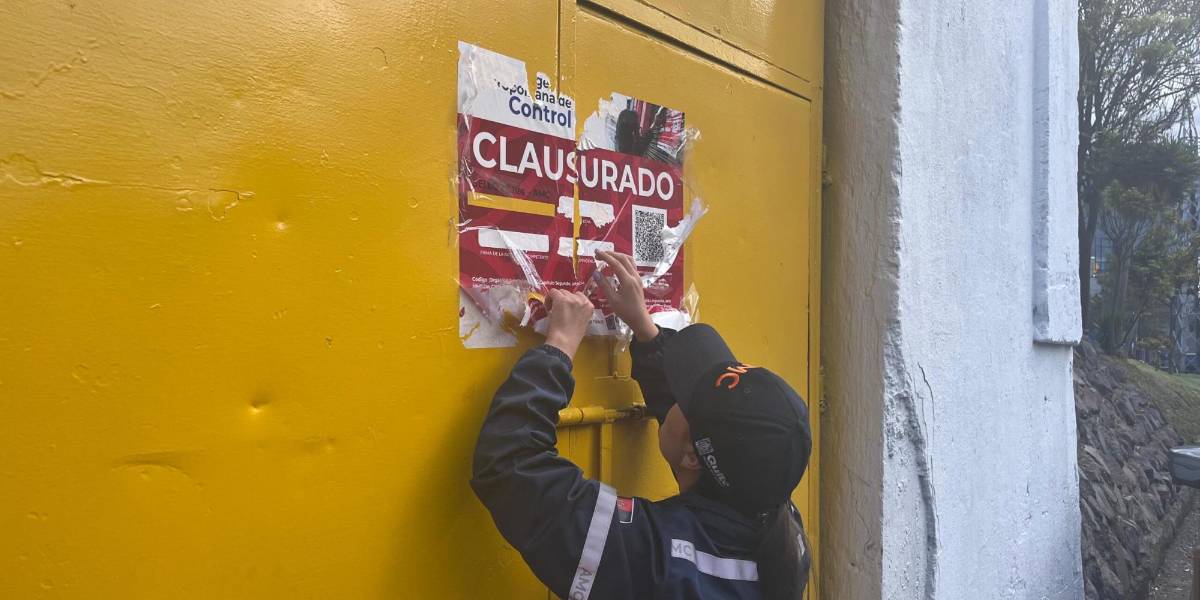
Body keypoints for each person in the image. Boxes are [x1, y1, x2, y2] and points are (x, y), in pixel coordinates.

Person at [471, 251, 812, 599]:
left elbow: (509, 464)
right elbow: (698, 439)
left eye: (686, 397)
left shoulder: (655, 560)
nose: (675, 398)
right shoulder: (779, 530)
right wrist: (645, 329)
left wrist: (558, 348)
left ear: (694, 457)